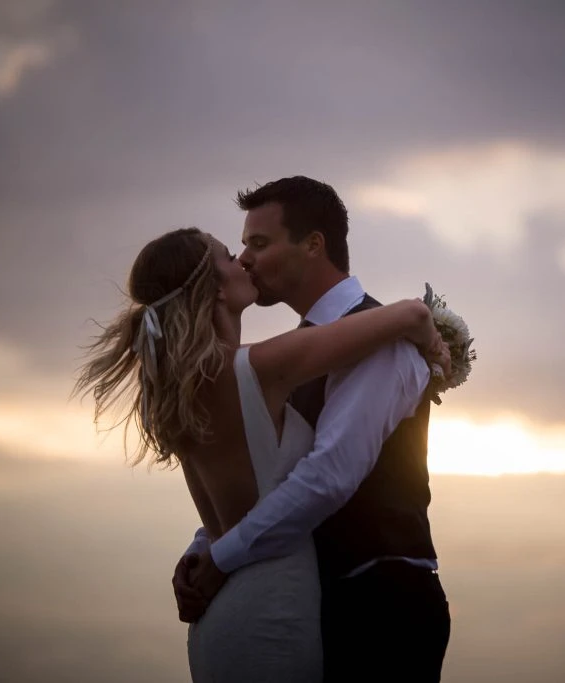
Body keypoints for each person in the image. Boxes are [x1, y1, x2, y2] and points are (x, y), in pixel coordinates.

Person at [75, 226, 449, 682]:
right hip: (272, 603)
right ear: (213, 287)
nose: (244, 262)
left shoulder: (181, 390)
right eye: (232, 256)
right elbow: (409, 313)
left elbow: (244, 494)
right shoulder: (257, 369)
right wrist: (430, 337)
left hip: (219, 615)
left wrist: (207, 552)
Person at [173, 176, 452, 682]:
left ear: (313, 244)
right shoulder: (297, 352)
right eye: (241, 247)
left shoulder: (383, 338)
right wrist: (203, 546)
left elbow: (330, 474)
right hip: (321, 605)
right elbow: (272, 474)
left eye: (259, 243)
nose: (244, 260)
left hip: (382, 608)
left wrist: (222, 557)